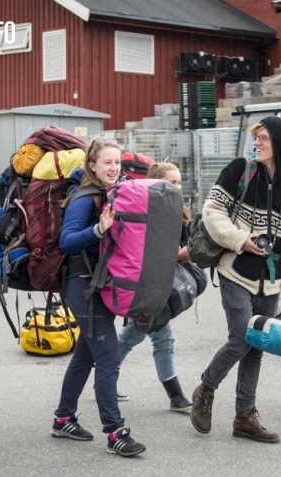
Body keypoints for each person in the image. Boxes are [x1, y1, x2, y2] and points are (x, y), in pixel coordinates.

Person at [189, 117, 281, 443]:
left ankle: (244, 416)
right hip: (234, 271)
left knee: (257, 346)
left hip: (272, 281)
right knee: (243, 338)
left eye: (263, 138)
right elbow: (212, 212)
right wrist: (241, 239)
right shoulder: (239, 170)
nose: (256, 143)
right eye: (255, 137)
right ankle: (206, 388)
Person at [51, 138, 146, 457]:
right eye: (107, 162)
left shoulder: (113, 194)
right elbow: (66, 242)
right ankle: (115, 432)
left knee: (86, 354)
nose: (113, 168)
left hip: (99, 283)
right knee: (107, 356)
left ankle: (63, 419)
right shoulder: (85, 198)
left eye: (117, 163)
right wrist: (97, 231)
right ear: (92, 165)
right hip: (81, 284)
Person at [117, 162, 193, 413]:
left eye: (179, 182)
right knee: (148, 337)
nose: (177, 187)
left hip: (160, 286)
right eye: (172, 183)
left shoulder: (178, 209)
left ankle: (104, 377)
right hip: (148, 286)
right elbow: (153, 251)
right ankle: (176, 397)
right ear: (157, 185)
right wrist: (183, 254)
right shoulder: (151, 210)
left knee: (137, 337)